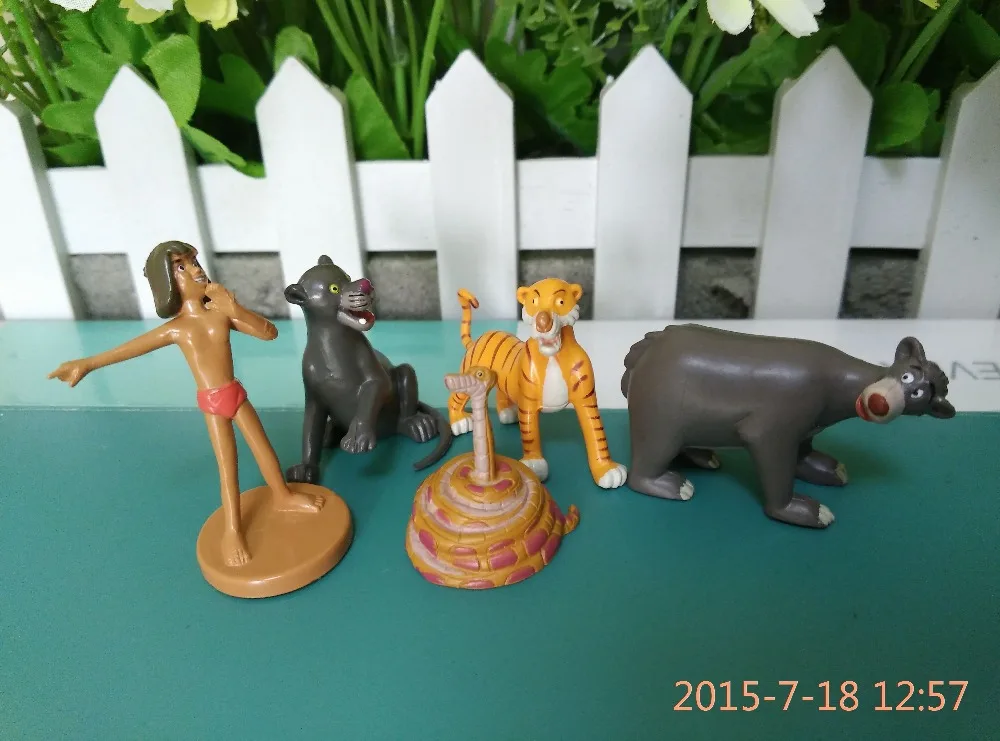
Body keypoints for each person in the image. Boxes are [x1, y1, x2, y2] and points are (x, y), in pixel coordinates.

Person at [49, 240, 323, 567]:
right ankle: (232, 530)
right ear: (167, 282)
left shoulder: (221, 314)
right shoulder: (177, 330)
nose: (195, 269)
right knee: (228, 469)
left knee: (264, 449)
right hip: (212, 403)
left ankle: (283, 495)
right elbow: (131, 348)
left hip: (236, 394)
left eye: (194, 261)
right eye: (182, 266)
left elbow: (270, 333)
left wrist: (235, 309)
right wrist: (87, 364)